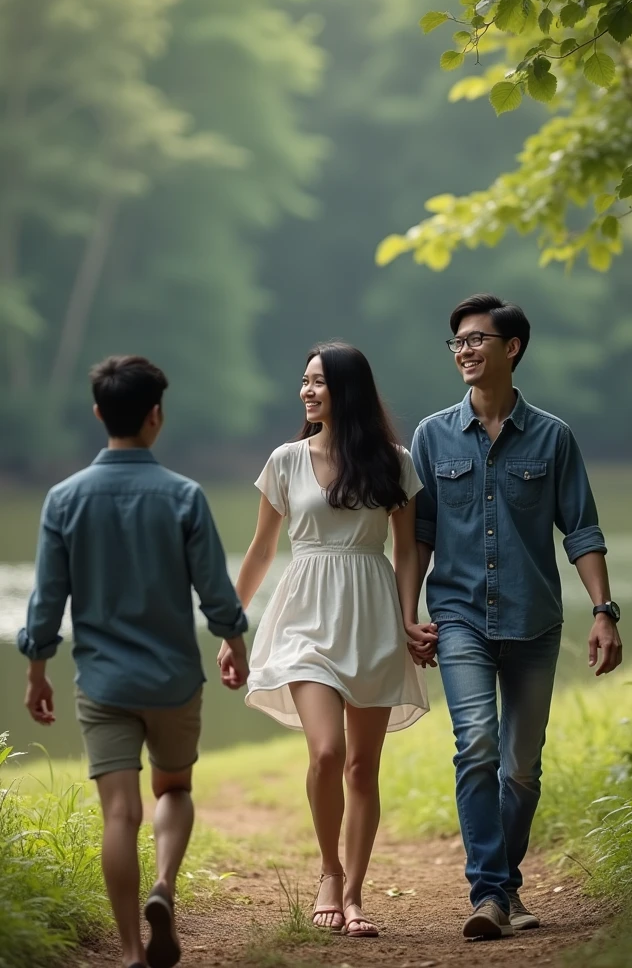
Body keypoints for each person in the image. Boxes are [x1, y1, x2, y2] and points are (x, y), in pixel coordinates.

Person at [17, 355, 249, 968]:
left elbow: (47, 600)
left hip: (102, 682)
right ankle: (164, 886)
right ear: (156, 416)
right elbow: (216, 592)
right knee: (174, 787)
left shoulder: (64, 499)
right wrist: (235, 642)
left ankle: (129, 953)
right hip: (173, 679)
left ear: (99, 414)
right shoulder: (184, 496)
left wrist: (38, 668)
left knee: (119, 813)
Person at [411, 294, 622, 941]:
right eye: (458, 343)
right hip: (459, 616)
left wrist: (604, 611)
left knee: (521, 768)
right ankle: (491, 894)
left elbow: (581, 531)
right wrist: (405, 614)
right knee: (475, 745)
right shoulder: (431, 436)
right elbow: (418, 534)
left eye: (477, 340)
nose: (465, 351)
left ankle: (502, 888)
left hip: (534, 621)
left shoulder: (553, 437)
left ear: (512, 348)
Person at [218, 342, 434, 938]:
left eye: (319, 382)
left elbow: (407, 550)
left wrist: (409, 616)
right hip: (304, 615)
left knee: (363, 768)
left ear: (348, 390)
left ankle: (358, 896)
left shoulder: (394, 460)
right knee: (327, 753)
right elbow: (263, 549)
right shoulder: (285, 460)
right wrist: (231, 622)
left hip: (371, 615)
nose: (307, 391)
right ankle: (329, 874)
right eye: (304, 381)